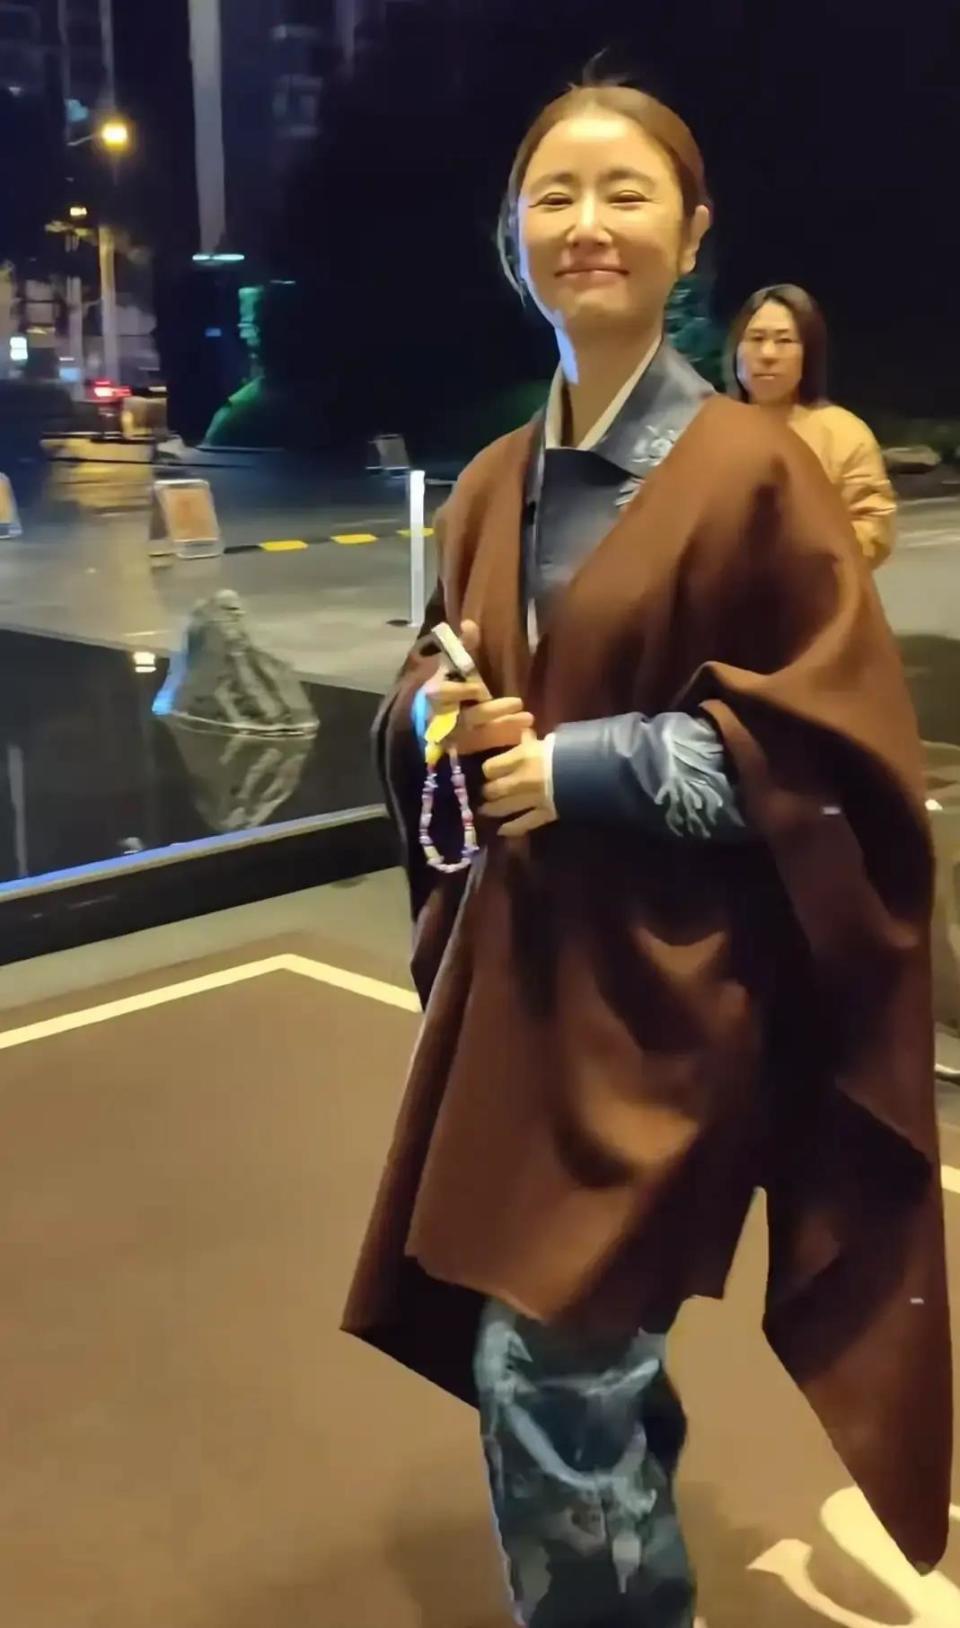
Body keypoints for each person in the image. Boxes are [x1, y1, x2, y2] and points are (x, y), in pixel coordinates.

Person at [343, 80, 951, 1627]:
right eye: (554, 195)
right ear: (514, 239)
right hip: (526, 997)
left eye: (626, 192)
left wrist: (579, 765)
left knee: (545, 1359)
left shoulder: (758, 471)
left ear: (692, 235)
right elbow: (431, 678)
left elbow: (836, 758)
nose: (587, 223)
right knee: (584, 1358)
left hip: (680, 1005)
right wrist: (441, 723)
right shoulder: (493, 481)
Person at [729, 283, 896, 567]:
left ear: (809, 352)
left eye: (784, 341)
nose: (768, 353)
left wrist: (806, 557)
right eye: (756, 338)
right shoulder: (706, 428)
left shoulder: (843, 434)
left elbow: (874, 526)